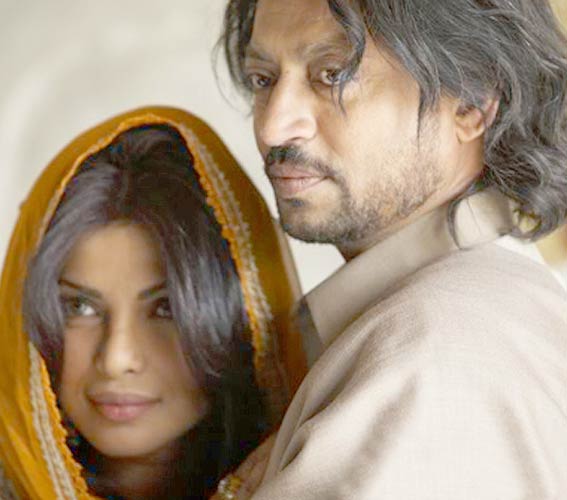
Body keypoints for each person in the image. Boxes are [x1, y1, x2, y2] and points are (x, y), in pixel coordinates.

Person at [220, 0, 567, 497]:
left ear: (470, 103)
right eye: (263, 79)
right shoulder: (488, 303)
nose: (273, 127)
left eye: (333, 75)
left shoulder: (427, 363)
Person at [0, 106, 306, 499]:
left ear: (245, 320)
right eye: (80, 308)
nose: (116, 359)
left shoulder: (332, 481)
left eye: (166, 309)